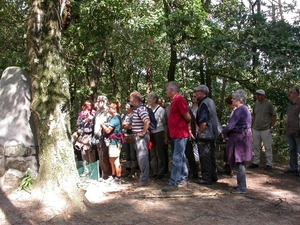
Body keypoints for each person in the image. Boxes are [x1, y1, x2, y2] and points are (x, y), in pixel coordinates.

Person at [222, 90, 253, 194]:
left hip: (240, 138)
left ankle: (242, 187)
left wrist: (223, 131)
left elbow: (231, 126)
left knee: (239, 162)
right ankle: (241, 185)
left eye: (234, 98)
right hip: (244, 137)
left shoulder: (239, 110)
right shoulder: (245, 109)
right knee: (241, 162)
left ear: (239, 100)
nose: (232, 100)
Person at [162, 81, 191, 192]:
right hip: (175, 134)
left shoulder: (179, 100)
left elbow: (188, 117)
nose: (166, 92)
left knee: (177, 158)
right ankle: (183, 178)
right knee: (181, 157)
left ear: (172, 90)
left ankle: (174, 182)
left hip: (180, 134)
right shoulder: (174, 101)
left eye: (167, 89)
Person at [194, 85, 222, 185]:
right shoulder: (210, 101)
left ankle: (206, 178)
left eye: (197, 91)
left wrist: (199, 132)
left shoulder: (204, 104)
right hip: (212, 133)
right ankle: (213, 176)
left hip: (206, 134)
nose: (195, 93)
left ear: (203, 93)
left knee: (205, 156)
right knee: (211, 156)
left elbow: (204, 121)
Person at [249, 89, 276, 170]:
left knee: (268, 147)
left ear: (263, 96)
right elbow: (254, 115)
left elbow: (274, 116)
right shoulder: (256, 104)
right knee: (255, 146)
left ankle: (269, 164)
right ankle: (255, 162)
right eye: (257, 95)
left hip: (266, 129)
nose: (257, 96)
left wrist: (272, 127)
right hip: (256, 128)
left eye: (259, 95)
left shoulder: (269, 104)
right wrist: (252, 124)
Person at [129, 91, 151, 187]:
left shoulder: (141, 109)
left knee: (143, 157)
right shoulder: (137, 109)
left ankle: (144, 179)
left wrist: (143, 132)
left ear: (136, 100)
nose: (129, 100)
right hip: (137, 136)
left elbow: (147, 121)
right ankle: (143, 177)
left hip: (141, 137)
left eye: (131, 98)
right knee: (140, 157)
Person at [101, 101, 123, 185]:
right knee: (111, 160)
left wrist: (102, 125)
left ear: (114, 109)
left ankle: (118, 178)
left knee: (115, 160)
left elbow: (107, 130)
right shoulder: (114, 118)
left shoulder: (116, 118)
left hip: (115, 142)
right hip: (112, 142)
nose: (108, 109)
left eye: (110, 108)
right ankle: (113, 176)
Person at [73, 100, 96, 176]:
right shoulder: (80, 116)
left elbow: (94, 126)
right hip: (83, 136)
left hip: (90, 136)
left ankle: (93, 171)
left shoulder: (93, 115)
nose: (87, 108)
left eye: (89, 106)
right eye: (86, 106)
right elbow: (79, 125)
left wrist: (89, 117)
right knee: (83, 154)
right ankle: (86, 170)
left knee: (91, 154)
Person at [147, 92, 166, 179]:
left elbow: (164, 123)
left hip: (159, 132)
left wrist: (166, 136)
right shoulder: (148, 109)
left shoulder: (161, 110)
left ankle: (161, 171)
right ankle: (155, 170)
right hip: (150, 132)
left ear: (155, 99)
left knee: (159, 152)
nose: (148, 100)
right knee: (152, 152)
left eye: (150, 98)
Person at [94, 95, 112, 180]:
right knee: (100, 157)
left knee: (105, 157)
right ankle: (104, 174)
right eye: (97, 101)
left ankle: (108, 175)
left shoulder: (108, 112)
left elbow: (110, 124)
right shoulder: (97, 112)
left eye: (99, 101)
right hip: (97, 137)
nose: (97, 103)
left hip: (105, 137)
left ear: (104, 102)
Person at [284, 87, 300, 175]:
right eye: (289, 92)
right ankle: (293, 168)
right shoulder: (290, 104)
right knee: (292, 149)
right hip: (290, 130)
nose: (290, 94)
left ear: (296, 94)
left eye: (291, 92)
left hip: (298, 131)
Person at [121, 100, 138, 178]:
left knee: (132, 152)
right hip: (124, 135)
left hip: (132, 135)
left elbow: (132, 126)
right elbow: (121, 124)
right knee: (127, 151)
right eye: (126, 105)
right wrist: (126, 125)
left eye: (128, 106)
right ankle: (127, 169)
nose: (126, 107)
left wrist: (127, 125)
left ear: (132, 107)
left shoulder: (134, 114)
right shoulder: (123, 115)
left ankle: (134, 169)